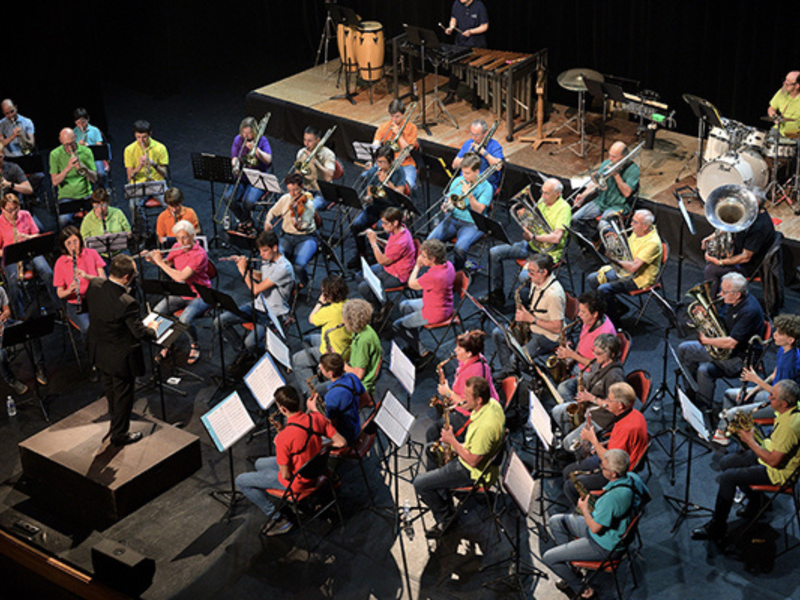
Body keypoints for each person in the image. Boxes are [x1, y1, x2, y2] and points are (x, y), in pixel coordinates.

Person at [692, 380, 800, 544]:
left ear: (784, 403)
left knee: (728, 477)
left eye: (772, 397)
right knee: (726, 462)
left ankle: (717, 528)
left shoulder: (790, 428)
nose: (768, 398)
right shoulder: (791, 407)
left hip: (776, 472)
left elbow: (773, 462)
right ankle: (758, 502)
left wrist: (750, 441)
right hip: (768, 450)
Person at [236, 385, 346, 536]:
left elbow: (286, 474)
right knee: (259, 463)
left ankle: (278, 518)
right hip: (313, 468)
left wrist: (282, 442)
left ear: (283, 409)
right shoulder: (316, 417)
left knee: (241, 481)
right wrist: (318, 447)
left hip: (296, 483)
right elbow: (341, 442)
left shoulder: (283, 439)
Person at [543, 449, 649, 600]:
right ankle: (571, 569)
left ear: (613, 474)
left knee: (548, 557)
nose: (600, 468)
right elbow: (646, 497)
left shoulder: (612, 499)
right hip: (608, 531)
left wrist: (585, 510)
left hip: (604, 545)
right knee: (556, 521)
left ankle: (584, 590)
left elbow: (594, 528)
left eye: (603, 467)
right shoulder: (633, 477)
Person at [414, 376, 504, 538]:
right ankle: (440, 491)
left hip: (471, 471)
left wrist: (452, 441)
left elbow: (473, 461)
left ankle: (446, 519)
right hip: (473, 453)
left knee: (420, 484)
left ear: (479, 400)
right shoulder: (493, 405)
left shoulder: (485, 427)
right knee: (430, 450)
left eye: (467, 397)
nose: (463, 399)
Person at [86, 254, 158, 447]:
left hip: (99, 349)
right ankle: (119, 434)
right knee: (123, 395)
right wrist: (153, 330)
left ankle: (115, 419)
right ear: (127, 277)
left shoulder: (94, 285)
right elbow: (139, 332)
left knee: (110, 389)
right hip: (119, 357)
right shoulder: (127, 302)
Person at [677, 272, 765, 410]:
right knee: (684, 349)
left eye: (724, 292)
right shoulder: (731, 301)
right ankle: (691, 394)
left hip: (741, 358)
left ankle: (703, 408)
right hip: (727, 348)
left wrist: (706, 340)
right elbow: (721, 319)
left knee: (704, 370)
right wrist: (705, 312)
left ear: (737, 294)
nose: (720, 294)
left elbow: (732, 343)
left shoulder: (749, 311)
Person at [713, 313, 800, 446]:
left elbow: (781, 395)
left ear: (791, 340)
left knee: (733, 413)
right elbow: (774, 374)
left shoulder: (792, 362)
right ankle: (728, 431)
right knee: (729, 394)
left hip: (781, 406)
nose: (774, 335)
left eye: (779, 333)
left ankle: (723, 434)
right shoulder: (783, 350)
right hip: (772, 394)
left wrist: (756, 379)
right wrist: (755, 389)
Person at [215, 230, 295, 375]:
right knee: (220, 321)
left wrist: (243, 271)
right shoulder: (267, 260)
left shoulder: (284, 268)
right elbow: (261, 277)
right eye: (260, 251)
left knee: (250, 342)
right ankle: (245, 354)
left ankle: (261, 355)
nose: (261, 255)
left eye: (264, 251)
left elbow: (256, 289)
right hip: (258, 306)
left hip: (273, 313)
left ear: (274, 248)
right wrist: (247, 268)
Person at [484, 178, 571, 308]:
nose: (542, 196)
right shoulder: (542, 202)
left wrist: (534, 236)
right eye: (542, 192)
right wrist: (524, 222)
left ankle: (535, 303)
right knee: (494, 252)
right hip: (531, 245)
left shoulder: (564, 209)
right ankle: (497, 294)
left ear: (557, 194)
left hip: (547, 253)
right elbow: (534, 225)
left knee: (524, 276)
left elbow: (556, 238)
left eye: (546, 193)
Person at [562, 382, 648, 506]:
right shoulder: (634, 414)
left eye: (609, 400)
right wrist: (603, 444)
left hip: (616, 472)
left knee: (569, 487)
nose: (606, 402)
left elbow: (611, 463)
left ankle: (585, 512)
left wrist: (593, 440)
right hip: (615, 455)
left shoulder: (626, 428)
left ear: (620, 405)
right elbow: (621, 443)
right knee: (567, 471)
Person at [146, 221, 212, 365]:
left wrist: (160, 263)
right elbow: (167, 264)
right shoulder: (176, 246)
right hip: (182, 291)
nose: (181, 242)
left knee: (184, 319)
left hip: (200, 294)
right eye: (178, 238)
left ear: (192, 236)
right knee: (157, 312)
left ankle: (194, 344)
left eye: (184, 238)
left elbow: (181, 277)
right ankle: (167, 343)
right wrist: (153, 259)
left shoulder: (199, 254)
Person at [492, 252, 565, 373]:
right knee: (498, 333)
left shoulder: (553, 295)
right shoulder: (537, 281)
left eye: (532, 272)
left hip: (547, 337)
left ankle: (513, 373)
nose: (528, 275)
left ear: (544, 272)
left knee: (516, 360)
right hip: (533, 327)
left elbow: (557, 328)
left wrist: (531, 319)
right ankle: (509, 372)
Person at [587, 209, 662, 323]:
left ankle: (613, 320)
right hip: (627, 269)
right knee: (592, 279)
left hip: (639, 278)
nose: (631, 224)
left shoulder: (653, 243)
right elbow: (628, 248)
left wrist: (614, 260)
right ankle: (617, 307)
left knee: (603, 289)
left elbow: (633, 267)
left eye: (635, 222)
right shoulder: (638, 232)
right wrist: (617, 239)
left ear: (645, 226)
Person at [428, 330, 499, 442]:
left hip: (472, 416)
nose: (455, 350)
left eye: (459, 349)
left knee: (432, 432)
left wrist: (448, 392)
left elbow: (467, 405)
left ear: (469, 353)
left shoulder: (472, 374)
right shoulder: (474, 358)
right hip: (473, 405)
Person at [702, 190, 776, 296]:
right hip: (741, 251)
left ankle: (711, 302)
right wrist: (711, 237)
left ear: (757, 203)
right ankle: (721, 291)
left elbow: (745, 258)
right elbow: (731, 223)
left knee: (711, 270)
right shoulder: (753, 212)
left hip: (750, 266)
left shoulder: (759, 228)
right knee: (714, 260)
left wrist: (720, 262)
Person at [427, 153, 492, 271]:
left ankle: (458, 271)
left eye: (467, 173)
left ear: (477, 172)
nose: (464, 176)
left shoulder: (487, 187)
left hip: (473, 224)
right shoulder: (458, 180)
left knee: (460, 249)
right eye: (463, 172)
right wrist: (446, 205)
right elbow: (449, 198)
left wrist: (470, 195)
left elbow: (479, 210)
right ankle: (440, 269)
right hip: (453, 219)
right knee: (430, 242)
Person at [553, 333, 626, 438]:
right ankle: (569, 434)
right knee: (556, 412)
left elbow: (615, 407)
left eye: (599, 353)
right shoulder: (598, 363)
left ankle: (573, 444)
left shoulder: (615, 377)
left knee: (568, 441)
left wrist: (592, 398)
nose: (594, 355)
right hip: (589, 406)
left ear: (612, 354)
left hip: (602, 417)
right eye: (594, 351)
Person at [348, 145, 407, 269]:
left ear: (391, 162)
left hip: (392, 208)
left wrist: (388, 183)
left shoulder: (399, 171)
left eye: (383, 162)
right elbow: (370, 191)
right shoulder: (373, 171)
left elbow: (400, 195)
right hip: (377, 205)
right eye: (378, 161)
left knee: (382, 226)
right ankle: (361, 255)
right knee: (356, 224)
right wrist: (368, 198)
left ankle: (383, 258)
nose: (379, 165)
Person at [394, 239, 455, 359]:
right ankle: (413, 341)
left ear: (433, 259)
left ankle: (422, 351)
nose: (421, 258)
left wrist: (417, 266)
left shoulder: (433, 276)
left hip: (435, 312)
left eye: (423, 256)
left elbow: (411, 284)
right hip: (441, 303)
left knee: (397, 325)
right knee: (404, 305)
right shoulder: (448, 265)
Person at [0, 193, 57, 314]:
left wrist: (27, 237)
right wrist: (8, 251)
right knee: (14, 282)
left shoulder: (25, 214)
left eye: (16, 209)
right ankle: (19, 314)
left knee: (47, 272)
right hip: (12, 257)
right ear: (2, 209)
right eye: (9, 210)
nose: (13, 213)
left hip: (30, 250)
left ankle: (59, 307)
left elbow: (37, 235)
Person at [292, 275, 351, 392]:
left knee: (296, 360)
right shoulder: (349, 304)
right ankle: (321, 369)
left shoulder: (329, 312)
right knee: (308, 339)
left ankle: (313, 392)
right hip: (345, 346)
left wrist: (320, 302)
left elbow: (311, 319)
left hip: (333, 352)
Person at [357, 207, 416, 322]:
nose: (382, 226)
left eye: (385, 223)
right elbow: (390, 246)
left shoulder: (401, 241)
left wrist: (373, 243)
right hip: (390, 266)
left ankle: (381, 310)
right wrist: (378, 240)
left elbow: (382, 260)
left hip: (398, 274)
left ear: (395, 223)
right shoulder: (398, 230)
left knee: (363, 288)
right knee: (359, 275)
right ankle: (379, 301)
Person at [571, 141, 639, 239]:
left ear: (624, 158)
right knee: (575, 218)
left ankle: (608, 244)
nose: (610, 159)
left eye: (614, 157)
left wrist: (616, 175)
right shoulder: (606, 164)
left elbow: (627, 193)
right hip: (601, 201)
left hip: (618, 205)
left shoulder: (633, 170)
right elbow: (595, 184)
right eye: (610, 155)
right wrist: (583, 195)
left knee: (603, 225)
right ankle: (589, 240)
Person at [263, 172, 318, 288]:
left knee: (299, 265)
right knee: (275, 260)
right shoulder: (285, 198)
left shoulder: (308, 204)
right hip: (287, 237)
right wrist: (268, 221)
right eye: (290, 190)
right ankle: (281, 283)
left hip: (306, 238)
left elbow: (306, 226)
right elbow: (272, 212)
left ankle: (303, 283)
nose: (293, 194)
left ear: (302, 187)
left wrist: (298, 225)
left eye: (296, 190)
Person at [52, 226, 106, 336]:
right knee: (88, 328)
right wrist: (70, 290)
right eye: (68, 243)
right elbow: (60, 294)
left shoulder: (91, 253)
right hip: (76, 305)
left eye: (75, 241)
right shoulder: (60, 263)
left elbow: (103, 280)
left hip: (97, 299)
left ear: (80, 240)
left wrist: (87, 276)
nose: (73, 246)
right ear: (64, 245)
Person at [308, 352, 368, 446]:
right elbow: (366, 400)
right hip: (355, 425)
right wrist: (351, 408)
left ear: (330, 374)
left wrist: (314, 409)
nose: (320, 369)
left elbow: (330, 425)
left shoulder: (331, 396)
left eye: (322, 368)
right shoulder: (352, 377)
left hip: (346, 436)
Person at [554, 291, 617, 379]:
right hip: (578, 362)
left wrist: (573, 355)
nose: (579, 314)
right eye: (579, 310)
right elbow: (581, 340)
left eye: (583, 312)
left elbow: (598, 367)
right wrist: (572, 356)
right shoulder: (588, 320)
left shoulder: (604, 335)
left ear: (595, 314)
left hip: (590, 373)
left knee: (562, 387)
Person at [0, 285, 46, 395]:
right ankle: (10, 380)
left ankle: (39, 367)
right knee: (1, 355)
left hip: (4, 324)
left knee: (31, 331)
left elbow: (7, 310)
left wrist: (4, 315)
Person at [229, 116, 273, 233]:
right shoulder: (238, 139)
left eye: (249, 133)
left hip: (257, 179)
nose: (246, 135)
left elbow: (268, 159)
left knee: (248, 202)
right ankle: (246, 220)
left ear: (254, 131)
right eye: (244, 132)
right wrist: (236, 165)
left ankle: (245, 222)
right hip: (242, 177)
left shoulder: (262, 140)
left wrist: (256, 150)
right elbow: (234, 157)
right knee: (229, 198)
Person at [443, 1, 489, 105]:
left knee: (476, 72)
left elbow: (484, 26)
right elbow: (453, 19)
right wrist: (451, 27)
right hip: (460, 44)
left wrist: (471, 31)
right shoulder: (456, 4)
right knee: (455, 69)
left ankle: (477, 97)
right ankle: (451, 94)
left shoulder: (479, 6)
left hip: (476, 45)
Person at [50, 128, 97, 227]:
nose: (70, 147)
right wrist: (68, 168)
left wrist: (84, 168)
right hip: (66, 197)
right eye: (66, 144)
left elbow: (94, 179)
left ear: (75, 138)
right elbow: (55, 181)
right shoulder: (54, 154)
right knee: (63, 220)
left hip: (85, 195)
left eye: (72, 143)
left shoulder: (86, 151)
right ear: (61, 141)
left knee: (98, 217)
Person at [124, 119, 169, 222]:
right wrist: (139, 166)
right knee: (133, 206)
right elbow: (130, 176)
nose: (141, 141)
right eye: (138, 137)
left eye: (144, 137)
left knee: (171, 203)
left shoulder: (160, 148)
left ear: (150, 134)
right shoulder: (129, 150)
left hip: (156, 183)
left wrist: (154, 164)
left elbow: (164, 174)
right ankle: (138, 228)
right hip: (139, 184)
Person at [340, 298, 382, 398]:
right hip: (353, 372)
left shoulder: (363, 341)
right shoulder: (364, 329)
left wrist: (342, 364)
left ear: (352, 322)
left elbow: (358, 375)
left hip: (360, 386)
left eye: (345, 319)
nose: (342, 321)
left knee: (321, 391)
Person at [373, 99, 418, 189]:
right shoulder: (384, 127)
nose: (394, 120)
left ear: (403, 114)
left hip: (405, 164)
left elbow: (407, 153)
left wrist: (399, 135)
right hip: (386, 163)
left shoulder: (412, 128)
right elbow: (375, 145)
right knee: (367, 177)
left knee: (410, 185)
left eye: (397, 116)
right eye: (392, 116)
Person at [80, 188, 132, 259]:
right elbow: (84, 241)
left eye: (103, 205)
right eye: (97, 206)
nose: (100, 209)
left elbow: (129, 233)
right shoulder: (87, 219)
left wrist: (113, 238)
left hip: (119, 251)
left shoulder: (117, 213)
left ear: (107, 203)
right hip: (99, 255)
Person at [453, 120, 503, 190]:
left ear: (485, 134)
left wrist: (484, 153)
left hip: (484, 184)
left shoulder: (494, 146)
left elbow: (498, 166)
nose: (473, 138)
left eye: (477, 135)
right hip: (465, 180)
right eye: (472, 134)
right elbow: (454, 165)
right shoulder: (468, 143)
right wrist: (466, 159)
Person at [295, 126, 336, 211]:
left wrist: (316, 162)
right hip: (306, 189)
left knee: (308, 210)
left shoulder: (328, 154)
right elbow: (297, 175)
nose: (306, 144)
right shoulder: (302, 152)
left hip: (323, 193)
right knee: (290, 206)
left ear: (318, 140)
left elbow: (328, 178)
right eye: (305, 140)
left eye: (310, 141)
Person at [73, 107, 109, 187]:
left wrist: (89, 146)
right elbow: (71, 149)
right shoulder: (73, 133)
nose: (81, 125)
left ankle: (102, 189)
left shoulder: (94, 130)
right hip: (81, 159)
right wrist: (78, 145)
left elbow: (99, 146)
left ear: (88, 119)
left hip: (94, 158)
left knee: (101, 174)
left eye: (83, 122)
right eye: (78, 123)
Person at [768, 71, 800, 139]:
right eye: (785, 80)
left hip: (795, 133)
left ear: (797, 86)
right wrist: (774, 116)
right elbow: (771, 108)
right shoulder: (782, 92)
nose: (784, 83)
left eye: (788, 83)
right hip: (778, 129)